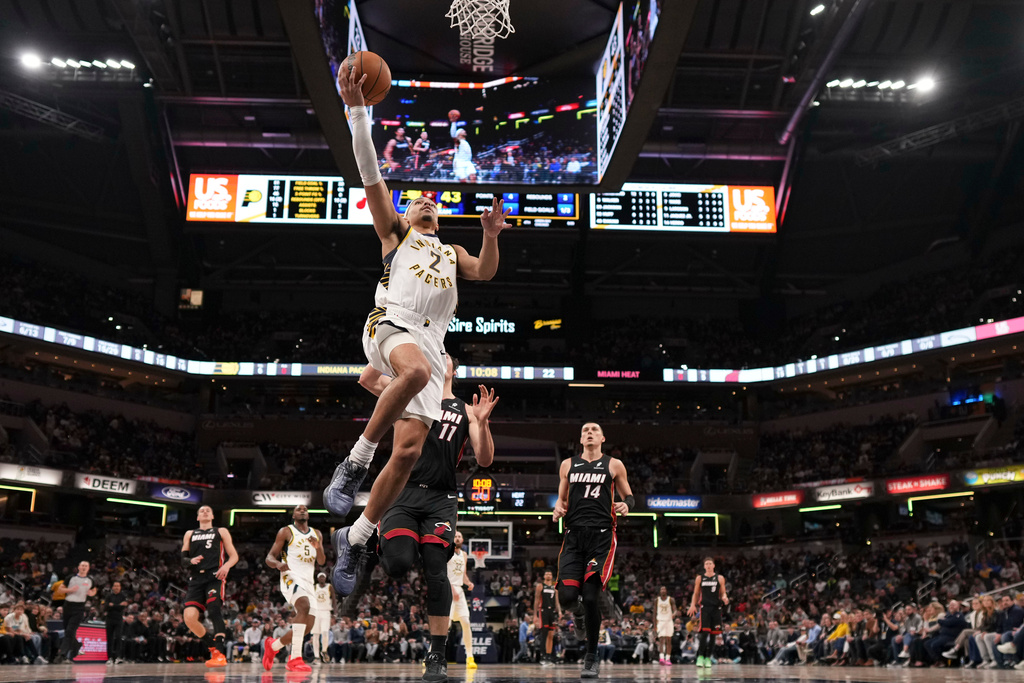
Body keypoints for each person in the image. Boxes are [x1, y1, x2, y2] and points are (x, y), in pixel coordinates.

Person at [325, 65, 510, 602]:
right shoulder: (394, 233)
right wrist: (359, 110)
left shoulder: (452, 252)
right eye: (417, 200)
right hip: (390, 323)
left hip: (430, 340)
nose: (426, 201)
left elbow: (486, 271)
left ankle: (356, 536)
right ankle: (353, 464)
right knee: (417, 371)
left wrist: (490, 235)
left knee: (406, 453)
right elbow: (369, 172)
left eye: (432, 201)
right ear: (406, 213)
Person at [350, 356, 497, 682]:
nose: (437, 356)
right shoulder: (409, 391)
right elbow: (366, 379)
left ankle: (437, 653)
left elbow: (484, 459)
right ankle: (377, 545)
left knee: (436, 569)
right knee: (399, 564)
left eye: (444, 355)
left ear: (453, 369)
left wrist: (483, 423)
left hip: (441, 498)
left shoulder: (467, 410)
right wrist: (390, 345)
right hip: (402, 492)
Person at [552, 422, 635, 679]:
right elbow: (562, 499)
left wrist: (626, 505)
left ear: (602, 438)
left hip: (601, 538)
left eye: (594, 430)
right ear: (580, 438)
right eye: (585, 430)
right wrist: (558, 509)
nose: (589, 432)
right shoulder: (568, 464)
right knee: (567, 597)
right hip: (574, 537)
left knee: (590, 597)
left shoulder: (614, 464)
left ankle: (591, 656)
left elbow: (629, 495)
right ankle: (576, 613)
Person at [263, 505, 326, 673]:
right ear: (293, 515)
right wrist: (277, 564)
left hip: (308, 581)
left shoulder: (317, 533)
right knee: (303, 607)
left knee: (308, 626)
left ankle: (273, 646)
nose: (303, 510)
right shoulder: (286, 531)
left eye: (305, 509)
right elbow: (269, 557)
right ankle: (295, 659)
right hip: (290, 576)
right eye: (299, 509)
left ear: (309, 514)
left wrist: (318, 547)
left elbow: (321, 561)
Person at [181, 505, 239, 668]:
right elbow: (183, 559)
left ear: (213, 516)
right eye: (201, 511)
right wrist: (189, 561)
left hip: (215, 575)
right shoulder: (190, 534)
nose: (205, 511)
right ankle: (212, 646)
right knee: (189, 618)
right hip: (196, 578)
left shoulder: (221, 531)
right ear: (197, 517)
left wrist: (226, 566)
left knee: (213, 609)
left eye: (208, 510)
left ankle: (220, 653)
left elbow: (234, 556)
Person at [687, 557, 729, 669]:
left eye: (710, 563)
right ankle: (700, 656)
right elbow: (696, 594)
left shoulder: (720, 578)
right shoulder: (700, 578)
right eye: (707, 564)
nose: (709, 565)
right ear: (704, 566)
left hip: (716, 608)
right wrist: (692, 605)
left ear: (714, 565)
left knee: (714, 634)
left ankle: (708, 658)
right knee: (704, 634)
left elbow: (723, 593)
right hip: (705, 608)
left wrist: (725, 598)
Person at [58, 560, 97, 662]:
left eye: (86, 566)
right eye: (82, 565)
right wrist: (70, 590)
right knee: (68, 632)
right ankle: (77, 646)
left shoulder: (90, 580)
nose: (84, 567)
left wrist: (91, 593)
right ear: (79, 567)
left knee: (70, 630)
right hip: (68, 605)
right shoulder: (71, 578)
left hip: (79, 607)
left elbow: (94, 590)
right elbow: (60, 589)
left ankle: (62, 654)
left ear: (88, 568)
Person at [535, 569, 561, 666]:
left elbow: (557, 601)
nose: (549, 575)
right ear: (544, 576)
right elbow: (536, 600)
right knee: (544, 635)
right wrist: (535, 615)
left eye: (550, 574)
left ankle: (549, 657)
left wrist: (560, 611)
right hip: (543, 611)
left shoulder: (555, 587)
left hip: (552, 611)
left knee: (551, 635)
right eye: (547, 574)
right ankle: (543, 657)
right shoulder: (540, 586)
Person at [104, 580, 129, 665]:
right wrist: (118, 605)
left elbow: (123, 606)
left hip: (119, 619)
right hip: (110, 619)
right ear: (112, 587)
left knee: (118, 638)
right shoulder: (108, 596)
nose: (116, 587)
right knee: (109, 638)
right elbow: (106, 606)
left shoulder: (123, 596)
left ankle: (117, 657)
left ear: (120, 587)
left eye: (118, 586)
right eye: (115, 586)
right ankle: (109, 658)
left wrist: (113, 605)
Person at [312, 572, 333, 664]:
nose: (321, 578)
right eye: (320, 577)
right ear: (317, 579)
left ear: (325, 578)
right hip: (316, 612)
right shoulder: (314, 587)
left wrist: (335, 611)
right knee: (315, 635)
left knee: (325, 632)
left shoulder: (329, 586)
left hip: (326, 611)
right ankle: (316, 656)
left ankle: (324, 650)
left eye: (323, 577)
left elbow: (334, 599)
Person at [655, 586, 676, 665]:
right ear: (660, 591)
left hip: (669, 621)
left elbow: (675, 610)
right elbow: (654, 613)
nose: (663, 590)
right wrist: (654, 626)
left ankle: (668, 658)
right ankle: (661, 658)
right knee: (661, 640)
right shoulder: (656, 600)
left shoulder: (671, 599)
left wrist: (674, 614)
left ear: (666, 591)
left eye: (664, 589)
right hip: (660, 621)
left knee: (668, 640)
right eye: (661, 589)